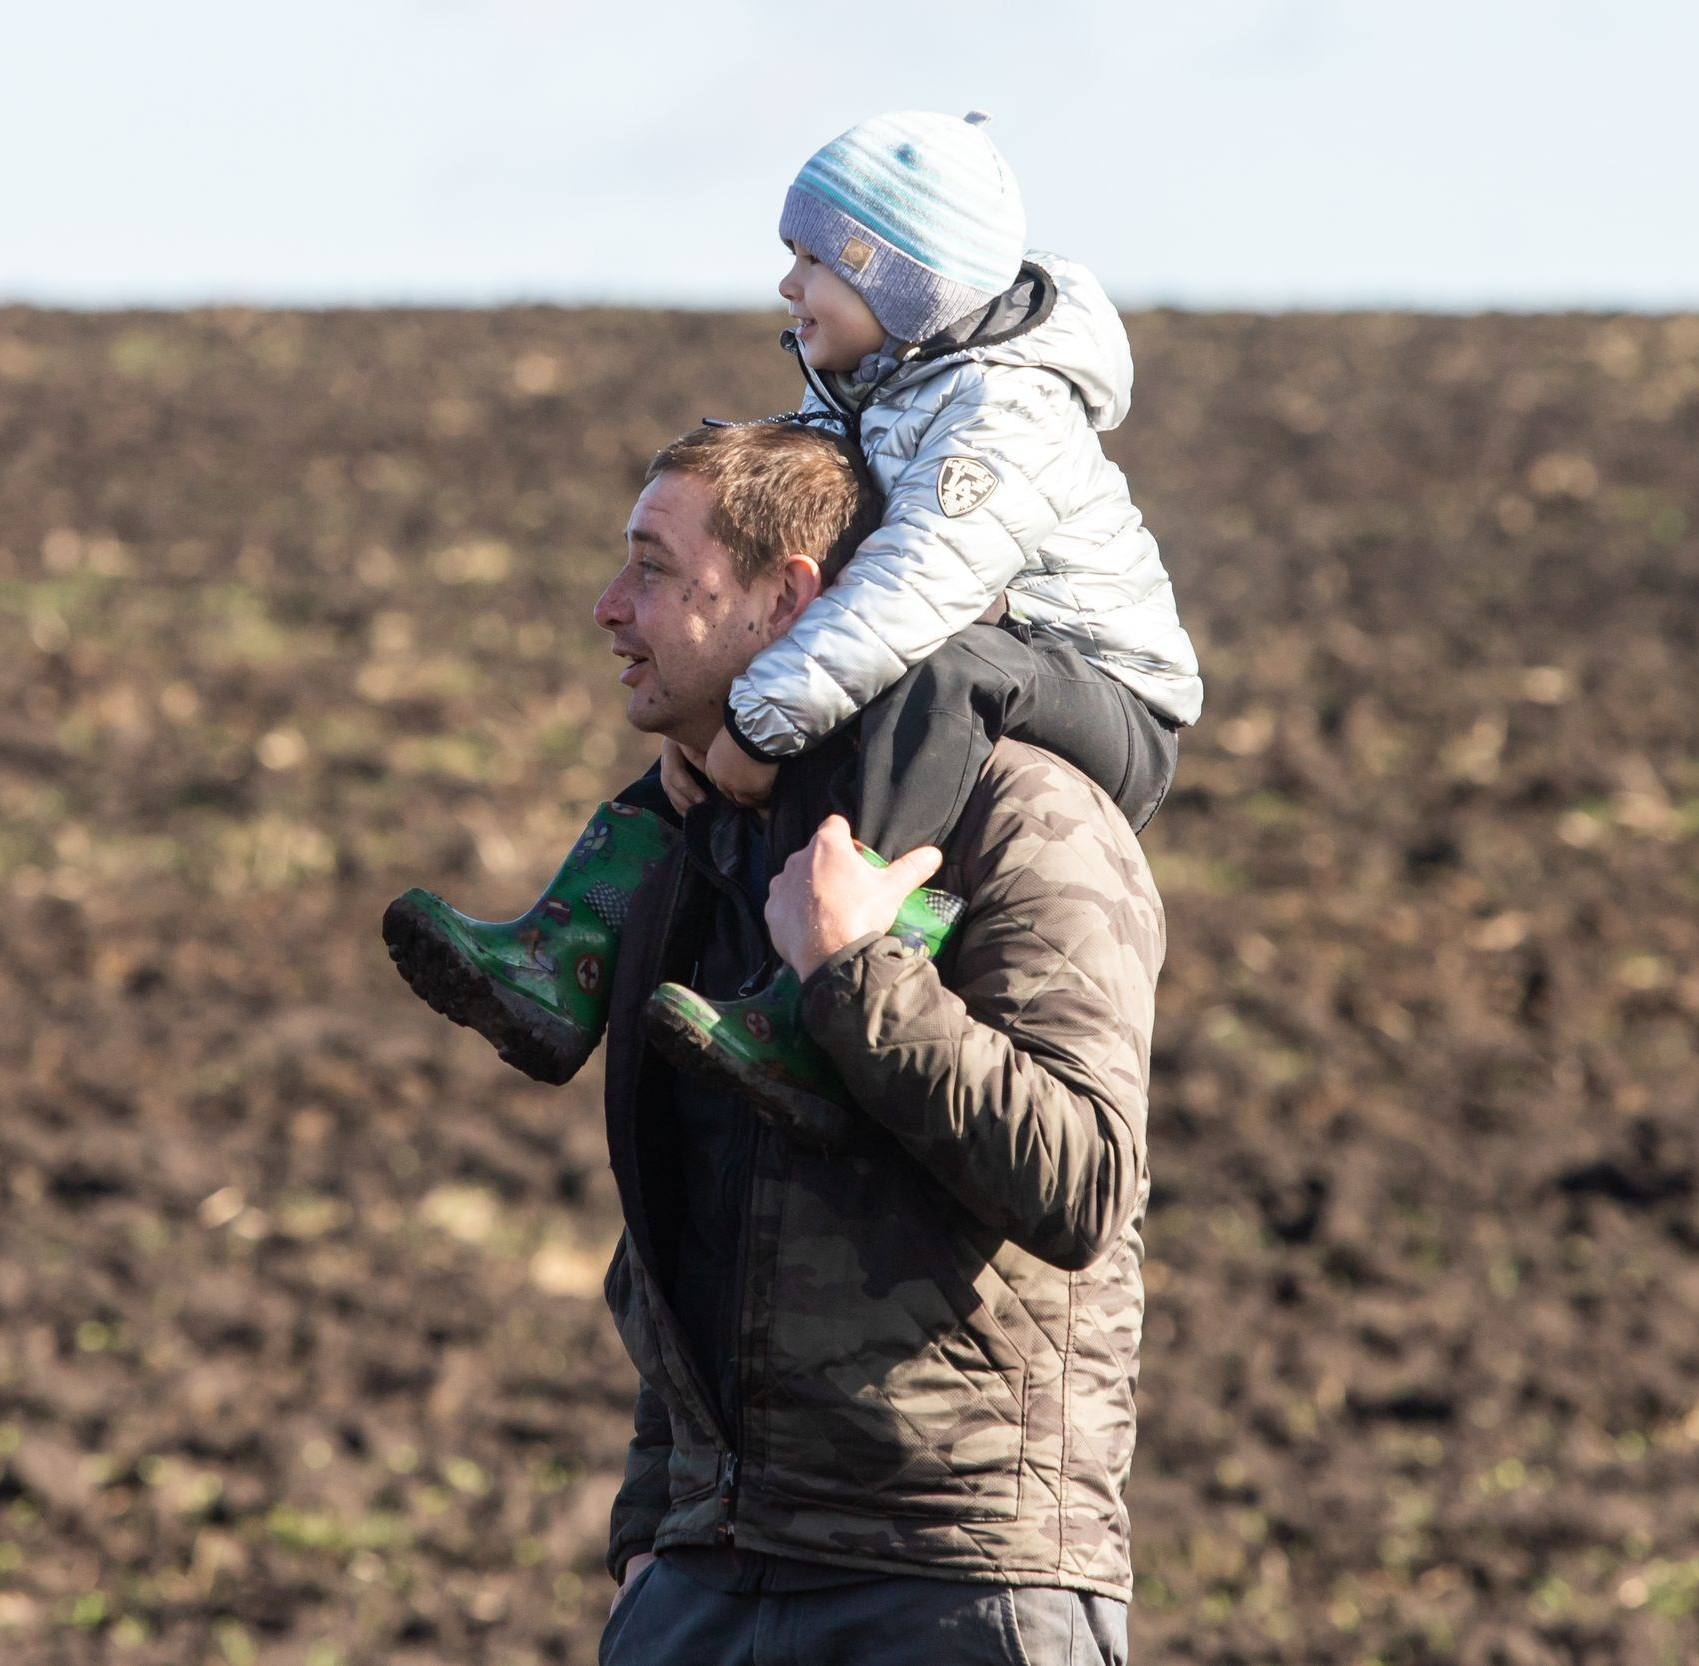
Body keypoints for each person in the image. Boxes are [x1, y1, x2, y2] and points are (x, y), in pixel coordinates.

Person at [384, 110, 1197, 1123]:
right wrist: (718, 711)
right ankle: (562, 957)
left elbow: (913, 586)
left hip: (1106, 693)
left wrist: (758, 722)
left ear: (898, 283)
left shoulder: (1005, 412)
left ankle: (820, 990)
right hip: (976, 649)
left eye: (813, 260)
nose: (786, 284)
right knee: (724, 704)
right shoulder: (872, 391)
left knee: (936, 673)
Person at [587, 420, 1161, 1664]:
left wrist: (854, 971)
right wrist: (649, 1535)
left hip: (952, 1580)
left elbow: (1083, 1179)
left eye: (653, 568)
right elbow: (682, 1216)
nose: (608, 606)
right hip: (705, 1576)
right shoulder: (706, 835)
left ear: (789, 598)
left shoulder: (1025, 815)